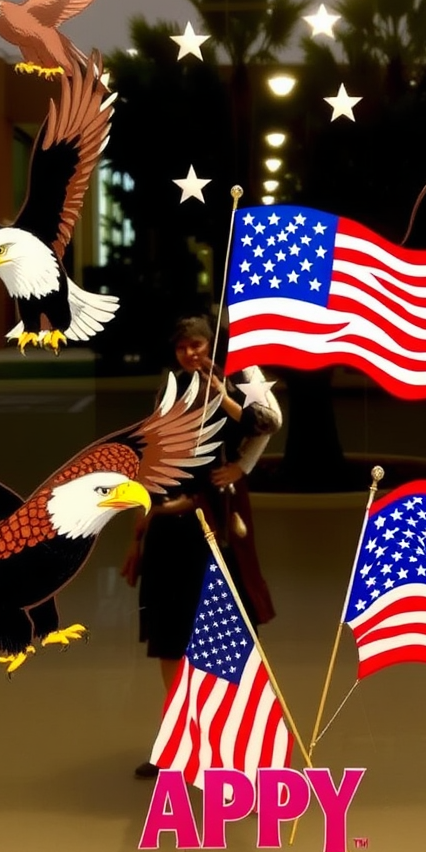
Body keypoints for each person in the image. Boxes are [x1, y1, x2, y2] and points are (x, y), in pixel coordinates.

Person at [121, 315, 281, 779]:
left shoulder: (237, 382)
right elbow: (150, 461)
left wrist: (225, 403)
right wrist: (137, 535)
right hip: (167, 530)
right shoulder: (170, 389)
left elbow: (266, 422)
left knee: (221, 638)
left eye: (198, 345)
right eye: (183, 347)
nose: (191, 354)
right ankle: (176, 741)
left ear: (212, 345)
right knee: (169, 638)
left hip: (211, 524)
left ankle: (234, 746)